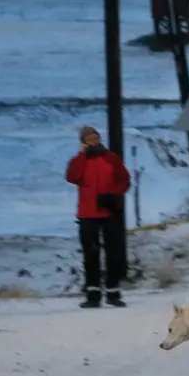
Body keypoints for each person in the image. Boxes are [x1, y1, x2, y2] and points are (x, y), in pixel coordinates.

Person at [66, 126, 132, 308]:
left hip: (109, 211)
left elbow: (124, 180)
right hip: (88, 213)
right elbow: (72, 177)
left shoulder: (111, 158)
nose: (94, 141)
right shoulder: (79, 161)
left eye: (96, 138)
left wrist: (113, 194)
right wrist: (82, 156)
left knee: (113, 253)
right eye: (90, 139)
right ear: (84, 142)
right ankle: (93, 294)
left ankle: (113, 292)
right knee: (90, 254)